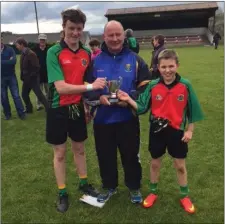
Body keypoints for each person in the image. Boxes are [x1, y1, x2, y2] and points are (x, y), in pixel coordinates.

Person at [117, 49, 204, 214]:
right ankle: (153, 192)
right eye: (164, 67)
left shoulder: (185, 85)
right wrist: (128, 99)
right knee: (155, 163)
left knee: (179, 165)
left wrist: (190, 130)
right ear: (158, 67)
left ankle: (184, 195)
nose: (168, 70)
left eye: (171, 66)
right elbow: (142, 107)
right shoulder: (152, 85)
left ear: (177, 65)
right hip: (157, 131)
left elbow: (192, 110)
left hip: (177, 132)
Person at [84, 20, 151, 204]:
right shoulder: (95, 61)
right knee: (105, 155)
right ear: (104, 37)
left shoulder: (135, 60)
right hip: (103, 120)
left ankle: (134, 187)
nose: (114, 39)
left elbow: (146, 87)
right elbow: (86, 89)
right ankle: (109, 186)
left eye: (118, 34)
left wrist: (129, 98)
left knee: (131, 155)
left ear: (124, 35)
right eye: (110, 35)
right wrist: (100, 99)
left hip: (127, 118)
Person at [46, 8, 106, 213]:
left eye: (79, 29)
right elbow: (61, 88)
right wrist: (90, 87)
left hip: (77, 107)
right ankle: (62, 192)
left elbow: (88, 80)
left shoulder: (86, 53)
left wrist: (89, 103)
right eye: (71, 28)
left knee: (79, 149)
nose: (75, 33)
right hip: (58, 108)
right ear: (63, 27)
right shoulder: (53, 52)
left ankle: (84, 184)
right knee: (60, 153)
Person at [15, 37, 48, 113]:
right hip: (26, 79)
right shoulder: (23, 53)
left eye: (17, 45)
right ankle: (29, 109)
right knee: (24, 94)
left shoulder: (31, 53)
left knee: (39, 95)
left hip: (33, 79)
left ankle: (49, 109)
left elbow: (36, 67)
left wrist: (30, 76)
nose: (16, 47)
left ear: (22, 44)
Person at [1, 36, 26, 120]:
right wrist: (8, 61)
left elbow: (13, 61)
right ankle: (7, 114)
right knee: (3, 97)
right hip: (1, 78)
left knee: (16, 95)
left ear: (2, 39)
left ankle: (21, 113)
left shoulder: (10, 49)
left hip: (11, 76)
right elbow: (9, 61)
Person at [33, 33, 49, 111]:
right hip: (38, 74)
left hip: (47, 74)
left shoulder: (49, 49)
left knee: (48, 91)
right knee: (39, 91)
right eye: (41, 39)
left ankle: (47, 104)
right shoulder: (34, 50)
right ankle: (39, 105)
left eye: (43, 39)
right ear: (39, 40)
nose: (42, 41)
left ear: (45, 40)